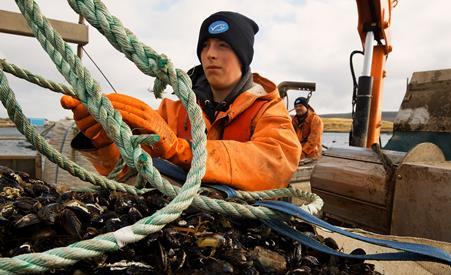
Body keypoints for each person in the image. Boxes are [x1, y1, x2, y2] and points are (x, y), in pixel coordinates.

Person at [61, 11, 302, 191]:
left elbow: (274, 163)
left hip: (250, 218)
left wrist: (183, 150)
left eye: (223, 45)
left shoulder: (268, 109)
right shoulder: (174, 110)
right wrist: (104, 143)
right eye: (205, 45)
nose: (211, 54)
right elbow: (127, 172)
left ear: (243, 56)